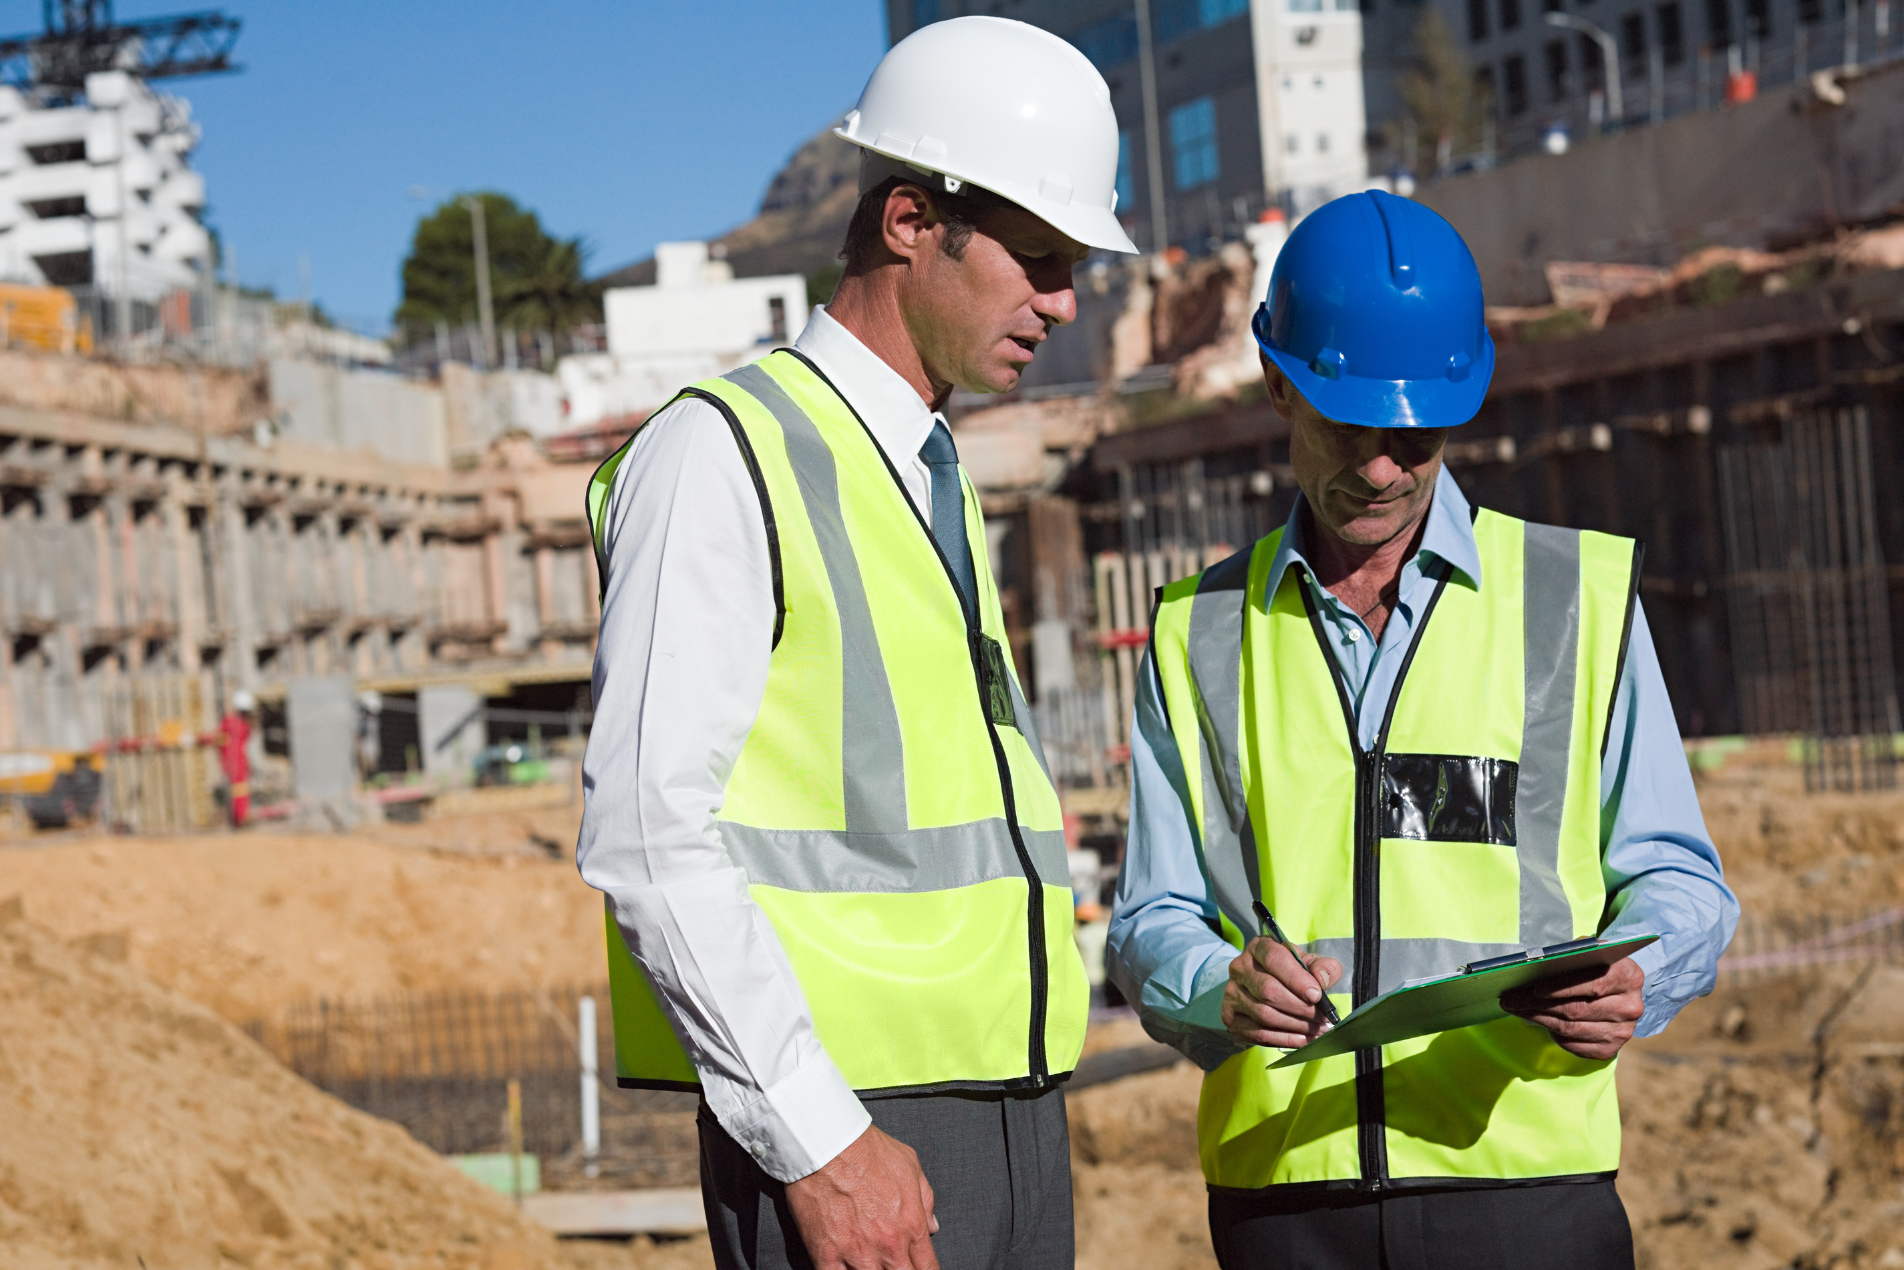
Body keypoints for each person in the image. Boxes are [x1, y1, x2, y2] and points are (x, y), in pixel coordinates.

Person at [576, 18, 1137, 1270]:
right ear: (905, 222)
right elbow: (648, 837)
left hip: (1008, 1111)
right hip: (852, 1133)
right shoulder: (723, 453)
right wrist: (820, 1141)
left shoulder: (923, 477)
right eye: (1038, 258)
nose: (1060, 301)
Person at [1107, 191, 1738, 1270]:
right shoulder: (1197, 633)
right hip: (1288, 1203)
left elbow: (1680, 879)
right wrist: (1220, 984)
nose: (1385, 467)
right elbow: (1148, 916)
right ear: (1275, 385)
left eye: (1415, 433)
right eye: (1350, 424)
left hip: (1526, 1187)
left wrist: (1641, 978)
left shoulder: (1573, 600)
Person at [219, 688, 256, 828]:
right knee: (239, 790)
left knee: (237, 790)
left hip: (231, 761)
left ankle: (237, 817)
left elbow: (219, 738)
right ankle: (239, 818)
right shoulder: (241, 724)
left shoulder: (227, 721)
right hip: (237, 761)